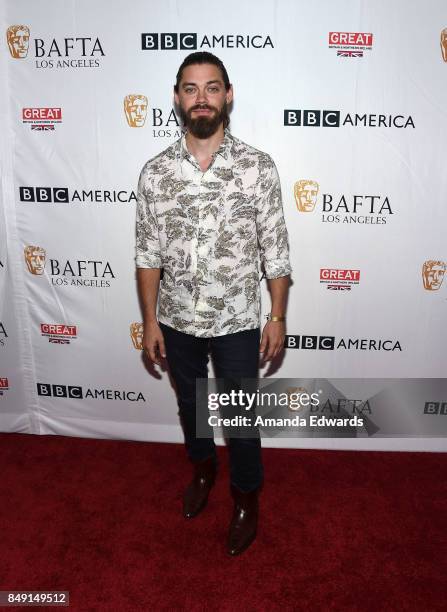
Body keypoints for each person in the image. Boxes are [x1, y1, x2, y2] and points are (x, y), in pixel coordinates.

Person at [135, 51, 292, 556]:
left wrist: (277, 316)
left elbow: (277, 250)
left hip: (237, 321)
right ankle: (203, 470)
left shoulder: (258, 167)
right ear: (177, 98)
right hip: (176, 318)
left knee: (241, 420)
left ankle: (246, 499)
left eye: (211, 87)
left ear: (228, 95)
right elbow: (147, 254)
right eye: (190, 88)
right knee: (190, 407)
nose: (200, 98)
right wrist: (149, 322)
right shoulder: (155, 173)